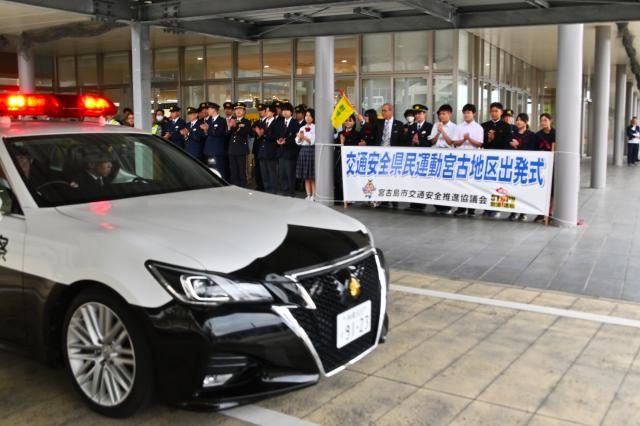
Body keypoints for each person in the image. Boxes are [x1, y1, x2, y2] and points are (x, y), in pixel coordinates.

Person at [453, 104, 484, 217]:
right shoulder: (459, 127)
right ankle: (461, 208)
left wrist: (469, 139)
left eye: (469, 113)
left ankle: (471, 209)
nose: (466, 115)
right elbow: (455, 143)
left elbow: (479, 144)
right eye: (465, 113)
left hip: (473, 159)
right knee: (461, 184)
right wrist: (463, 140)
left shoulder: (478, 128)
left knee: (472, 184)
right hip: (460, 159)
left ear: (473, 113)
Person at [482, 102, 512, 218]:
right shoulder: (484, 125)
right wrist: (489, 140)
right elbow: (482, 143)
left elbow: (506, 143)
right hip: (487, 159)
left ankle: (496, 208)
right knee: (487, 183)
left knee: (499, 185)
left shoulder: (506, 126)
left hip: (500, 159)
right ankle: (486, 208)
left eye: (496, 111)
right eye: (492, 111)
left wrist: (495, 138)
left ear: (501, 112)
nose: (494, 113)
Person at [429, 104, 457, 214]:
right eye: (440, 114)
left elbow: (450, 142)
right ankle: (438, 206)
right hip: (436, 154)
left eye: (444, 114)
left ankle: (447, 206)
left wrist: (443, 131)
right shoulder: (436, 125)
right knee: (435, 181)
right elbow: (432, 141)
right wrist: (438, 132)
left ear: (450, 114)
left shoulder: (454, 127)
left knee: (446, 182)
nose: (441, 116)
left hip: (448, 155)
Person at [508, 113, 536, 221]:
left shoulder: (531, 135)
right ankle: (514, 211)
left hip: (525, 166)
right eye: (517, 120)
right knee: (513, 189)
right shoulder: (512, 134)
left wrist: (519, 145)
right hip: (513, 165)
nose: (518, 122)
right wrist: (512, 146)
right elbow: (506, 148)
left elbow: (532, 149)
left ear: (526, 122)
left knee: (524, 190)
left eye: (521, 120)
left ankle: (523, 212)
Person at [534, 113, 556, 223]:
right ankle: (541, 212)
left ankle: (550, 212)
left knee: (551, 189)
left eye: (545, 120)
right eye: (541, 120)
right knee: (541, 188)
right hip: (541, 165)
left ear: (550, 121)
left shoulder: (556, 133)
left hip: (553, 164)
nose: (543, 122)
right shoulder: (537, 135)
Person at [275, 102, 300, 197]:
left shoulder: (295, 123)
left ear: (291, 112)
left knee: (290, 173)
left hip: (291, 152)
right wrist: (278, 140)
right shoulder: (280, 122)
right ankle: (284, 191)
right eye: (283, 110)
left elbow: (297, 138)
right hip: (281, 152)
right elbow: (276, 134)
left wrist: (286, 141)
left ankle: (291, 192)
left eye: (287, 110)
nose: (285, 112)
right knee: (281, 173)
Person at [335, 114, 361, 207]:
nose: (347, 122)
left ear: (354, 122)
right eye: (346, 120)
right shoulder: (340, 133)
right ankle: (340, 197)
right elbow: (336, 146)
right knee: (339, 178)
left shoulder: (357, 134)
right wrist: (341, 142)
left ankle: (351, 197)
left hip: (352, 159)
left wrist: (343, 142)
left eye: (350, 120)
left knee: (351, 178)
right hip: (340, 158)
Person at [256, 105, 279, 194]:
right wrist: (259, 134)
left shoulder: (276, 123)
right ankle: (267, 190)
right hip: (262, 151)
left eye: (268, 111)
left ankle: (273, 191)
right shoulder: (263, 122)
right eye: (266, 111)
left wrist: (263, 133)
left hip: (271, 151)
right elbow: (258, 135)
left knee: (272, 173)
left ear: (273, 113)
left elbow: (275, 136)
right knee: (264, 173)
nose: (266, 113)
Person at [228, 102, 252, 187]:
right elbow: (227, 135)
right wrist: (229, 127)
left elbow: (244, 132)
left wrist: (235, 126)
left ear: (244, 111)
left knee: (242, 170)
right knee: (233, 170)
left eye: (240, 109)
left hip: (241, 149)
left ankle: (242, 186)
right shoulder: (231, 120)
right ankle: (235, 186)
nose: (238, 111)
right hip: (232, 149)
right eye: (236, 109)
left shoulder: (246, 122)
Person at [202, 102, 228, 176]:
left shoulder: (222, 120)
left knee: (219, 170)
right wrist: (205, 131)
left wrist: (208, 129)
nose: (207, 110)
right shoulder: (208, 121)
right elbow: (205, 135)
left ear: (214, 109)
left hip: (217, 151)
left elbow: (219, 133)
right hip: (209, 150)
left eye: (209, 109)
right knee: (211, 170)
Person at [296, 108, 316, 201]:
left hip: (312, 151)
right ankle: (308, 195)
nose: (308, 117)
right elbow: (297, 141)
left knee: (312, 176)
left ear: (313, 117)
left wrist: (303, 137)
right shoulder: (302, 128)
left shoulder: (315, 127)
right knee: (306, 176)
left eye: (310, 116)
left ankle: (314, 196)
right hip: (303, 151)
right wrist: (300, 138)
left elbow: (312, 141)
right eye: (306, 115)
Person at [251, 103, 268, 191]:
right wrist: (256, 132)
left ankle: (265, 186)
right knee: (257, 168)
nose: (260, 112)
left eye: (262, 110)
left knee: (264, 169)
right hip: (257, 148)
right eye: (259, 110)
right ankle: (259, 185)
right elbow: (251, 133)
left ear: (266, 111)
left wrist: (258, 132)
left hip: (265, 148)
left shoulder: (267, 122)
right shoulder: (257, 122)